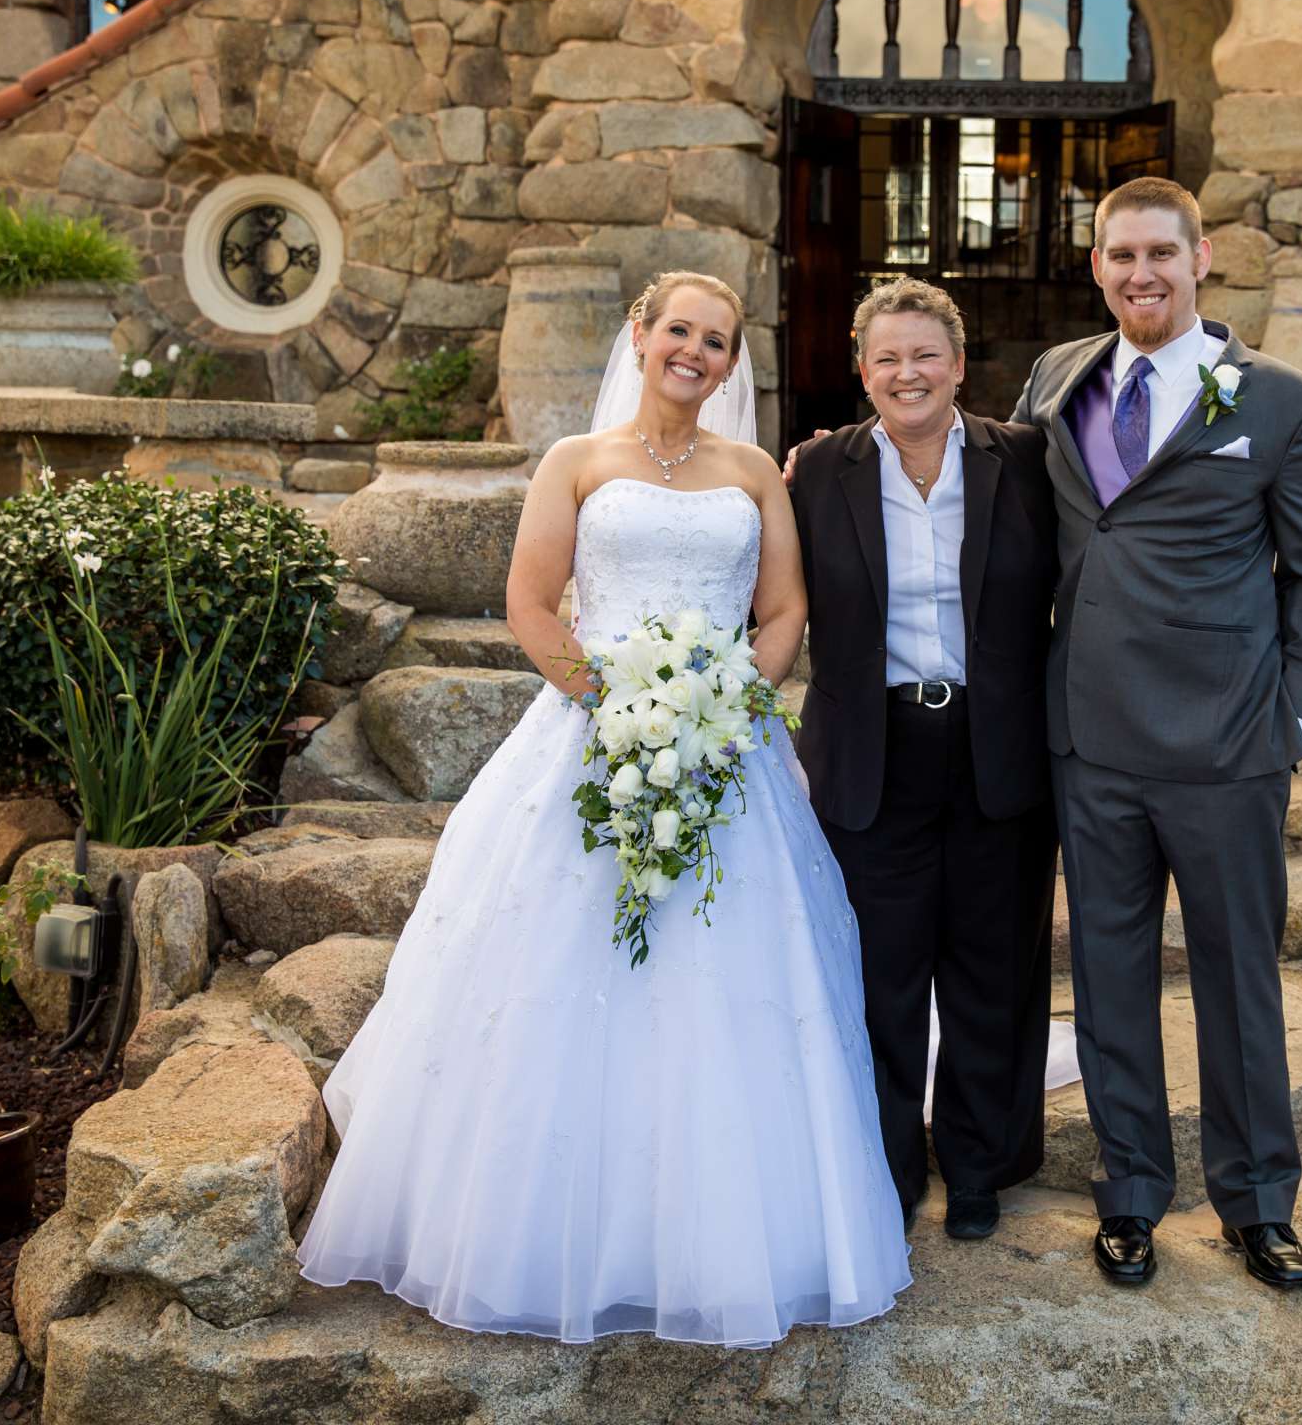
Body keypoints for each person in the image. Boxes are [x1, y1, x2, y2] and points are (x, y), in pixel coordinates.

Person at [297, 271, 911, 1348]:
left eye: (716, 341)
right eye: (679, 329)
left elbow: (785, 612)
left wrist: (725, 709)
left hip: (727, 755)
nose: (695, 352)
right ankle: (538, 1230)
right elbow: (532, 606)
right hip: (591, 743)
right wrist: (617, 706)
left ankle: (722, 1238)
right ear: (641, 335)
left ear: (731, 364)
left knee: (727, 980)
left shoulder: (754, 474)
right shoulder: (576, 464)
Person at [1007, 175, 1302, 1291]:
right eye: (1120, 255)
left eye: (1161, 252)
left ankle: (1257, 1203)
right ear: (1097, 266)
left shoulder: (1281, 402)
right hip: (1092, 741)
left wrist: (1292, 717)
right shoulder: (1058, 380)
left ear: (1203, 258)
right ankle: (1134, 1193)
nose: (1140, 273)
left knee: (1237, 978)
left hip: (1228, 744)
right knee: (1106, 978)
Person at [787, 277, 1064, 1244]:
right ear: (861, 371)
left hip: (1000, 749)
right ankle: (892, 1165)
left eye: (926, 355)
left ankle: (981, 1166)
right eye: (887, 358)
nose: (909, 373)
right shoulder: (815, 473)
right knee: (881, 974)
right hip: (871, 751)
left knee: (994, 971)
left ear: (959, 362)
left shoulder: (1026, 460)